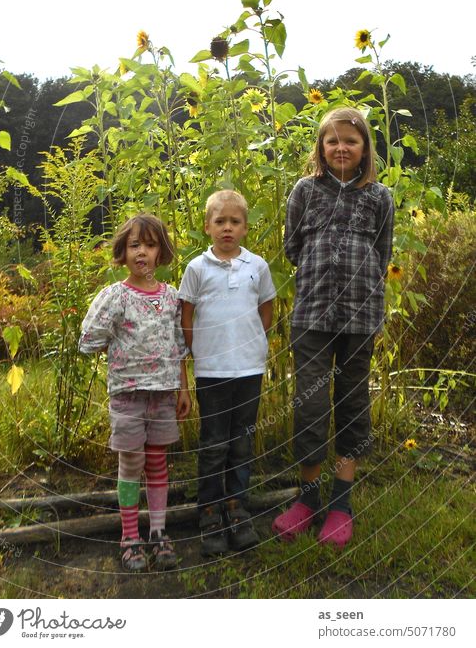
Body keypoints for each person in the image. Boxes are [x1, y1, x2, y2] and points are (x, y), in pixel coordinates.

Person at [272, 106, 394, 548]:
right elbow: (293, 245)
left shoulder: (380, 196)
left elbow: (383, 250)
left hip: (362, 316)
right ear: (321, 148)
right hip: (311, 315)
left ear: (365, 149)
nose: (341, 147)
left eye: (351, 140)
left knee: (353, 402)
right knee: (309, 406)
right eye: (332, 141)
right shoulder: (305, 190)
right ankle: (306, 499)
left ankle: (341, 503)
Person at [79, 214, 190, 572]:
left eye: (151, 244)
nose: (142, 252)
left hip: (163, 395)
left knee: (157, 462)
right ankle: (130, 536)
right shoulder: (116, 296)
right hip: (127, 395)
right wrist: (121, 351)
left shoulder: (171, 297)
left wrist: (183, 387)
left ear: (162, 252)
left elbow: (179, 345)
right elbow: (89, 339)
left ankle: (158, 532)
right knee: (131, 464)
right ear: (123, 253)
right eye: (134, 245)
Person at [180, 189, 276, 555]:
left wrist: (250, 340)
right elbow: (186, 315)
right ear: (207, 226)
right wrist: (198, 348)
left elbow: (266, 307)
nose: (227, 228)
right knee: (213, 443)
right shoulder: (197, 269)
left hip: (249, 369)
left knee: (241, 441)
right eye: (219, 221)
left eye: (235, 222)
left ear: (246, 228)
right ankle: (208, 512)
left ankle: (237, 509)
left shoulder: (258, 267)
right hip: (211, 370)